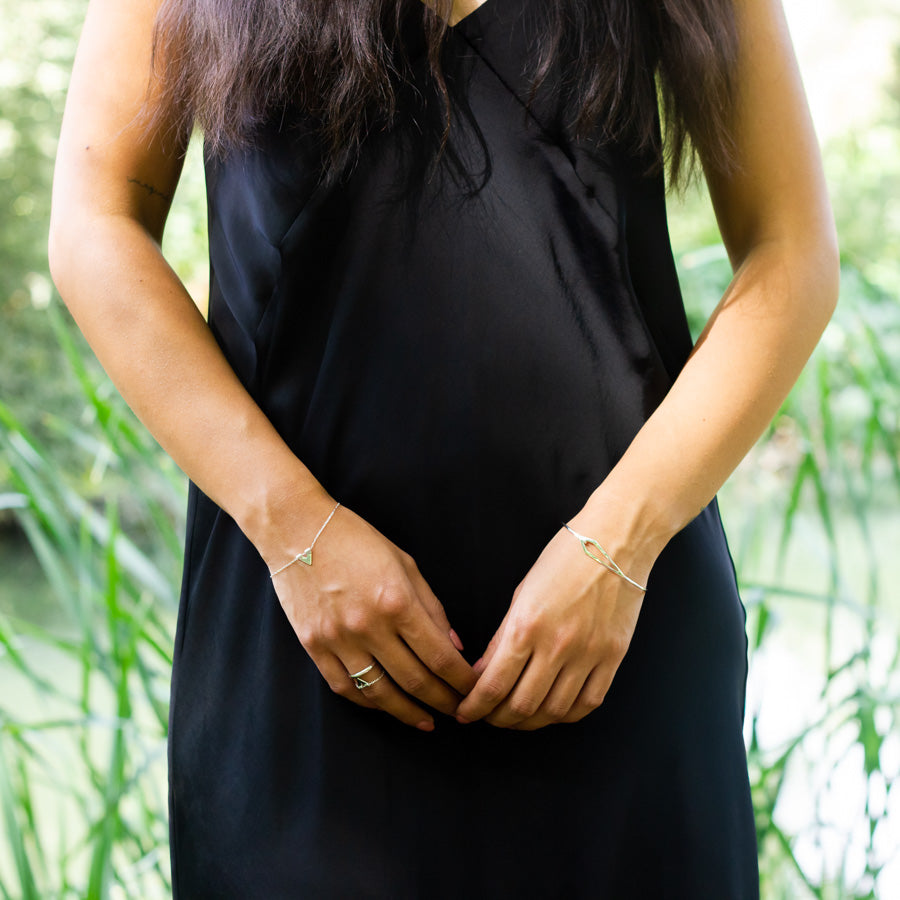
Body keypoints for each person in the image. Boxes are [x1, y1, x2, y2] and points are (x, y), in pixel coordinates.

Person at [48, 0, 838, 896]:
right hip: (310, 647)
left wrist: (620, 545)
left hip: (620, 636)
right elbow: (95, 226)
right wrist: (294, 527)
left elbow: (791, 251)